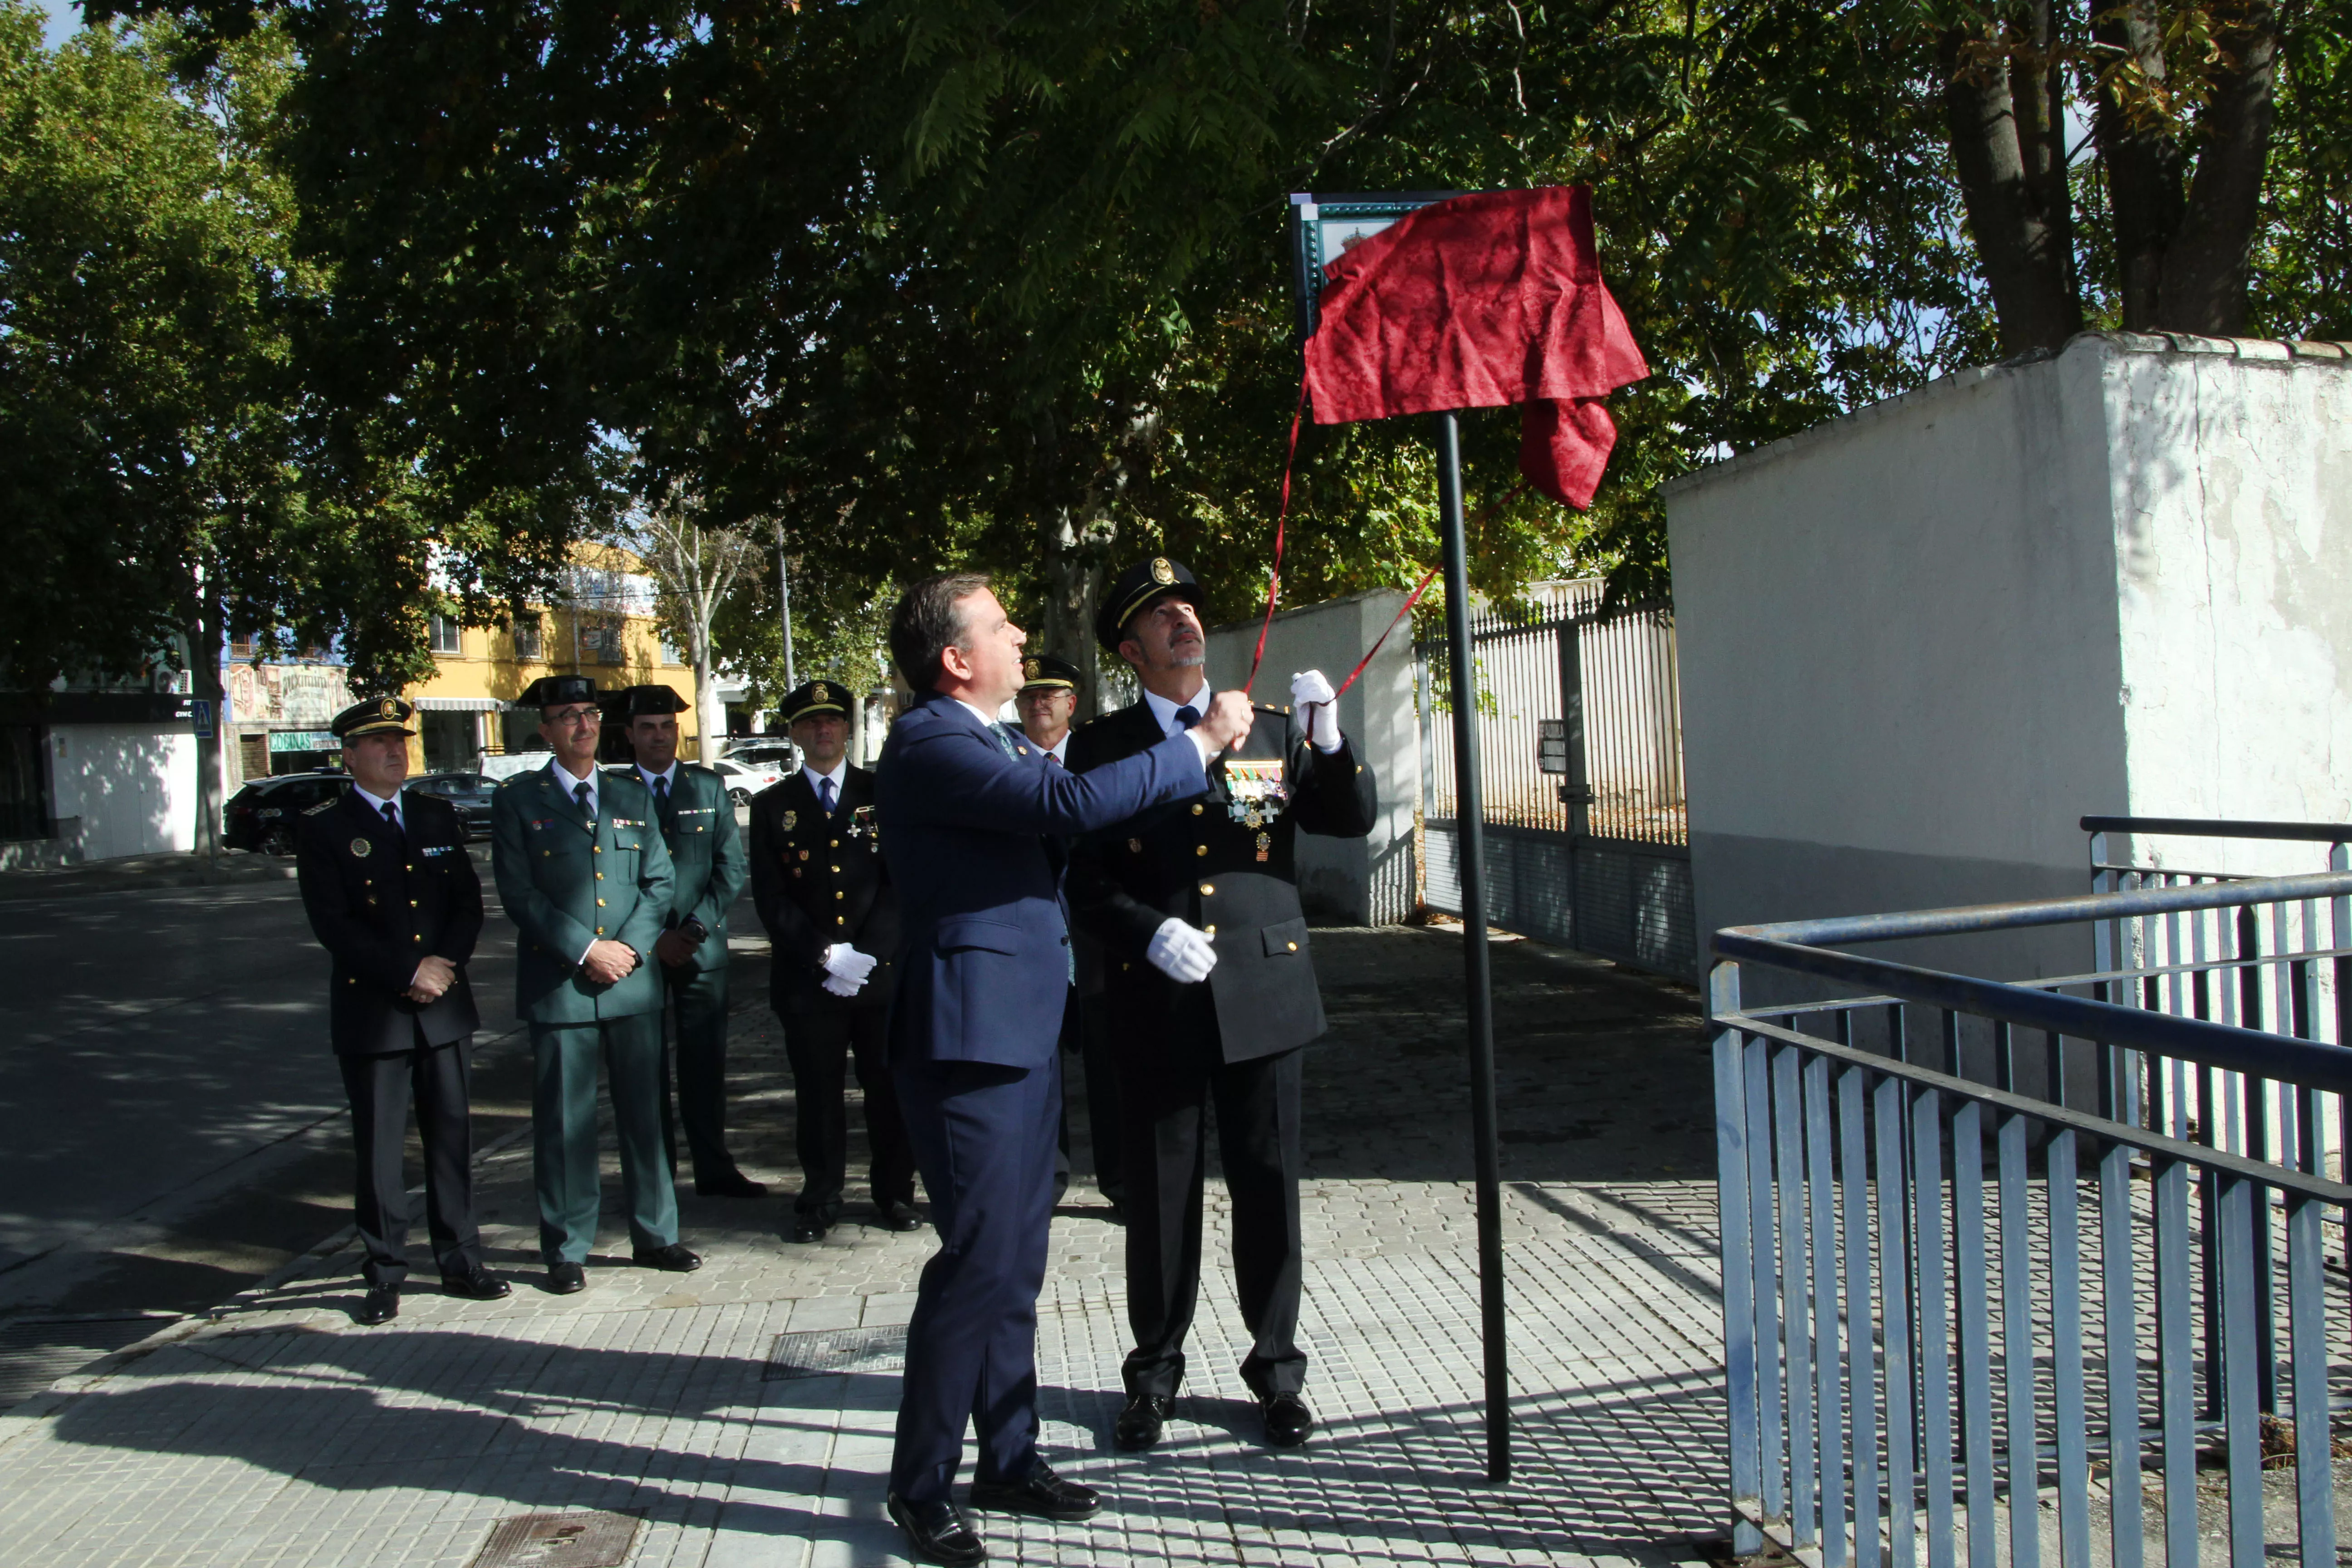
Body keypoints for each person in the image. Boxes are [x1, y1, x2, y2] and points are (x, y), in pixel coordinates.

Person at [876, 571, 1254, 1567]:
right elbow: (1072, 801)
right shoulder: (933, 739)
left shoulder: (985, 736)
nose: (1017, 637)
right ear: (957, 659)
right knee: (977, 1266)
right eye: (999, 628)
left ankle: (1008, 1453)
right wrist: (1201, 744)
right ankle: (920, 1487)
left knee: (1017, 1262)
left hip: (1018, 1030)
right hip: (968, 1040)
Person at [1068, 556, 1377, 1452]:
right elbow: (1081, 874)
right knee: (1161, 1198)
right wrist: (1140, 931)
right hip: (1157, 997)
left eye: (1190, 608)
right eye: (1162, 615)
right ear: (1132, 648)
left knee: (1269, 1188)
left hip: (1265, 992)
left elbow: (1349, 816)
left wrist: (1329, 741)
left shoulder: (1271, 730)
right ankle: (1153, 1377)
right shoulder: (1105, 749)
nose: (1185, 621)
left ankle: (1277, 1373)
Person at [296, 697, 510, 1326]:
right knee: (381, 1149)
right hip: (376, 1010)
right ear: (350, 755)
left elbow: (468, 904)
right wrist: (407, 971)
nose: (396, 752)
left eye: (401, 741)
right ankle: (386, 1271)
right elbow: (331, 923)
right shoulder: (326, 827)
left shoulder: (435, 816)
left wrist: (442, 964)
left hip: (444, 1006)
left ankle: (460, 1259)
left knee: (451, 1139)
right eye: (379, 743)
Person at [490, 674, 701, 1294]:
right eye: (568, 716)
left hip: (631, 983)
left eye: (590, 714)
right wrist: (587, 950)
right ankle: (566, 1246)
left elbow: (659, 883)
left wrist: (628, 950)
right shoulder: (519, 799)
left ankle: (656, 1234)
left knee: (646, 1115)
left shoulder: (631, 796)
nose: (583, 725)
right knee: (564, 1122)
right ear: (547, 729)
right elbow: (519, 894)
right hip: (563, 985)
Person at [747, 679, 921, 1243]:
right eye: (810, 723)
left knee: (888, 1091)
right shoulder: (773, 806)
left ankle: (895, 1194)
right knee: (818, 1095)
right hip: (810, 979)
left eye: (832, 720)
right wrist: (827, 954)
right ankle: (820, 1198)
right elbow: (770, 897)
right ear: (795, 734)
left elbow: (901, 882)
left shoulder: (886, 792)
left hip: (881, 976)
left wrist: (867, 955)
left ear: (847, 728)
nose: (823, 730)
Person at [620, 685, 760, 1199]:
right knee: (645, 1071)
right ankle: (655, 1179)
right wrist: (653, 937)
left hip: (702, 950)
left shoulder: (707, 788)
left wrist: (695, 928)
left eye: (666, 726)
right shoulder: (615, 793)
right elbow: (610, 882)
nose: (659, 736)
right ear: (630, 734)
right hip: (639, 955)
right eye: (648, 728)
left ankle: (714, 1168)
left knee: (705, 1067)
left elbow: (731, 867)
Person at [1011, 653, 1125, 1216]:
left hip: (1099, 936)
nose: (1039, 704)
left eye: (1050, 695)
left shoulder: (1098, 755)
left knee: (1110, 1063)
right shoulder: (1001, 759)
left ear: (1071, 704)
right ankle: (1047, 1183)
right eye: (1029, 696)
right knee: (1042, 1069)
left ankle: (1122, 1182)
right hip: (1032, 939)